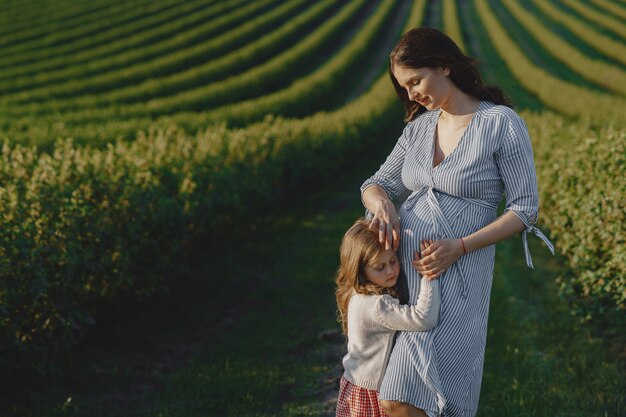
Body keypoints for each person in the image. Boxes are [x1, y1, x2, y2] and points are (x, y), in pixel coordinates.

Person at [360, 28, 554, 417]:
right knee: (400, 397)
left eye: (416, 81)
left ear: (445, 65)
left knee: (404, 399)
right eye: (405, 87)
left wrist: (459, 247)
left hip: (460, 274)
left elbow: (524, 209)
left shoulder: (499, 122)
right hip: (405, 280)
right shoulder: (417, 129)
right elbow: (375, 183)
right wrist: (382, 204)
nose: (412, 94)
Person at [335, 218, 441, 417]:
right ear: (361, 271)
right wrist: (429, 276)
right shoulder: (376, 305)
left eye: (393, 261)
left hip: (354, 384)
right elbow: (423, 318)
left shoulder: (357, 294)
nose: (391, 270)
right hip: (370, 392)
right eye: (379, 267)